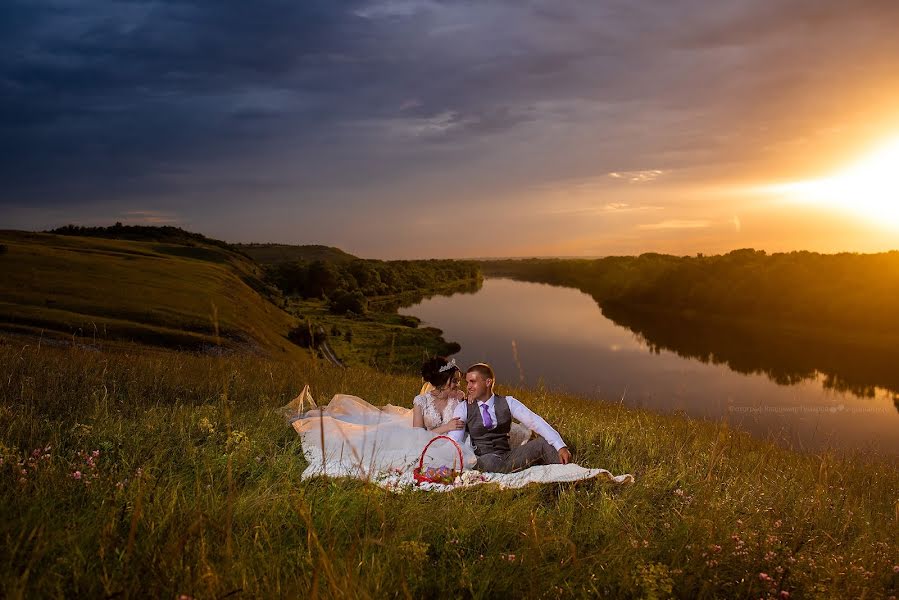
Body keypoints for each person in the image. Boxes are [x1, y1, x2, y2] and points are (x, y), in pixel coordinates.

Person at [446, 362, 572, 473]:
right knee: (491, 462)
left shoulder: (508, 402)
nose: (468, 387)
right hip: (483, 459)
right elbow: (454, 440)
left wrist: (561, 446)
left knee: (543, 443)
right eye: (467, 382)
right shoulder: (463, 407)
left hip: (508, 456)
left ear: (488, 382)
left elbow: (534, 421)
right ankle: (519, 469)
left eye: (473, 382)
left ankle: (567, 474)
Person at [412, 357, 466, 435]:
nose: (458, 385)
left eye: (459, 381)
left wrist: (465, 401)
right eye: (454, 381)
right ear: (442, 382)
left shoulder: (458, 398)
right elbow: (417, 435)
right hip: (426, 444)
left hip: (452, 443)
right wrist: (447, 427)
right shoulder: (421, 401)